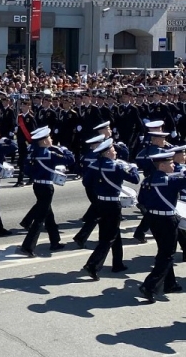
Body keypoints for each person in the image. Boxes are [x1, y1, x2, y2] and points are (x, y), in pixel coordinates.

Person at [81, 138, 140, 280]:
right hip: (113, 204)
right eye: (113, 150)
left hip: (100, 202)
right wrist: (133, 168)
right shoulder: (117, 166)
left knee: (112, 233)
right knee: (110, 236)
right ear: (107, 152)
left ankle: (117, 263)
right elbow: (135, 179)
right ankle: (92, 264)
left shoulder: (94, 165)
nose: (115, 152)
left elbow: (86, 182)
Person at [137, 151, 186, 302]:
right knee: (167, 255)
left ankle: (170, 283)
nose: (173, 165)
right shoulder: (170, 181)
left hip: (153, 219)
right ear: (162, 165)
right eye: (171, 163)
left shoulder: (147, 181)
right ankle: (149, 286)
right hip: (167, 220)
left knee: (163, 251)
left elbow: (141, 200)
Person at [19, 127, 74, 257]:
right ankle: (28, 246)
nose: (51, 139)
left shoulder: (32, 152)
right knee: (40, 218)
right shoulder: (49, 153)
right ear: (43, 141)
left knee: (49, 215)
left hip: (37, 185)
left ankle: (55, 241)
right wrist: (63, 149)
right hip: (46, 187)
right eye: (49, 138)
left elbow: (26, 170)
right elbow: (70, 160)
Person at [14, 99, 37, 187]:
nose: (22, 107)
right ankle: (22, 179)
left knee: (27, 161)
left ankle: (26, 179)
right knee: (21, 161)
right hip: (21, 142)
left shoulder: (30, 117)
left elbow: (34, 130)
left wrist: (31, 142)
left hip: (28, 142)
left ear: (28, 107)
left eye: (24, 106)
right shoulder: (19, 117)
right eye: (22, 106)